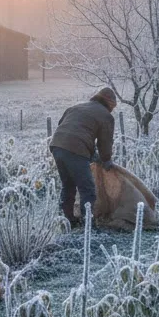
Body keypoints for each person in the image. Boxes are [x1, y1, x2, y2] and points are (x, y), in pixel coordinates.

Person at [48, 87, 117, 226]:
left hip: (57, 145)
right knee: (87, 189)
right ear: (110, 103)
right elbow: (105, 141)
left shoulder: (77, 107)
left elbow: (64, 124)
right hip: (75, 149)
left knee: (68, 185)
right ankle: (88, 226)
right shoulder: (105, 115)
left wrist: (91, 153)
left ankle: (66, 220)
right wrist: (106, 159)